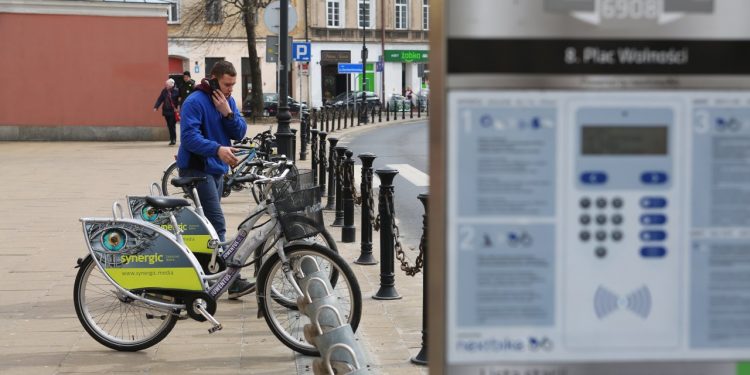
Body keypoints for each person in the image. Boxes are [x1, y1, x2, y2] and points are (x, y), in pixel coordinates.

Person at [176, 61, 253, 299]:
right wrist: (217, 149)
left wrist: (228, 114)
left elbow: (239, 132)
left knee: (206, 226)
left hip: (217, 169)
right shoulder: (195, 101)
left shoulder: (226, 101)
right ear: (215, 79)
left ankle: (198, 274)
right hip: (197, 170)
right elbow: (189, 138)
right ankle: (229, 281)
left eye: (233, 85)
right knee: (217, 223)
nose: (230, 89)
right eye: (227, 84)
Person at [153, 78, 179, 146]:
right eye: (166, 84)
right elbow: (160, 99)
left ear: (171, 85)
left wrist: (178, 108)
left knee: (172, 125)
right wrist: (156, 107)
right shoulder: (164, 91)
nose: (166, 85)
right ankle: (171, 139)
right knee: (169, 125)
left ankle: (173, 139)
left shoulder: (176, 91)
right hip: (166, 111)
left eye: (167, 84)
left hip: (172, 111)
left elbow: (179, 101)